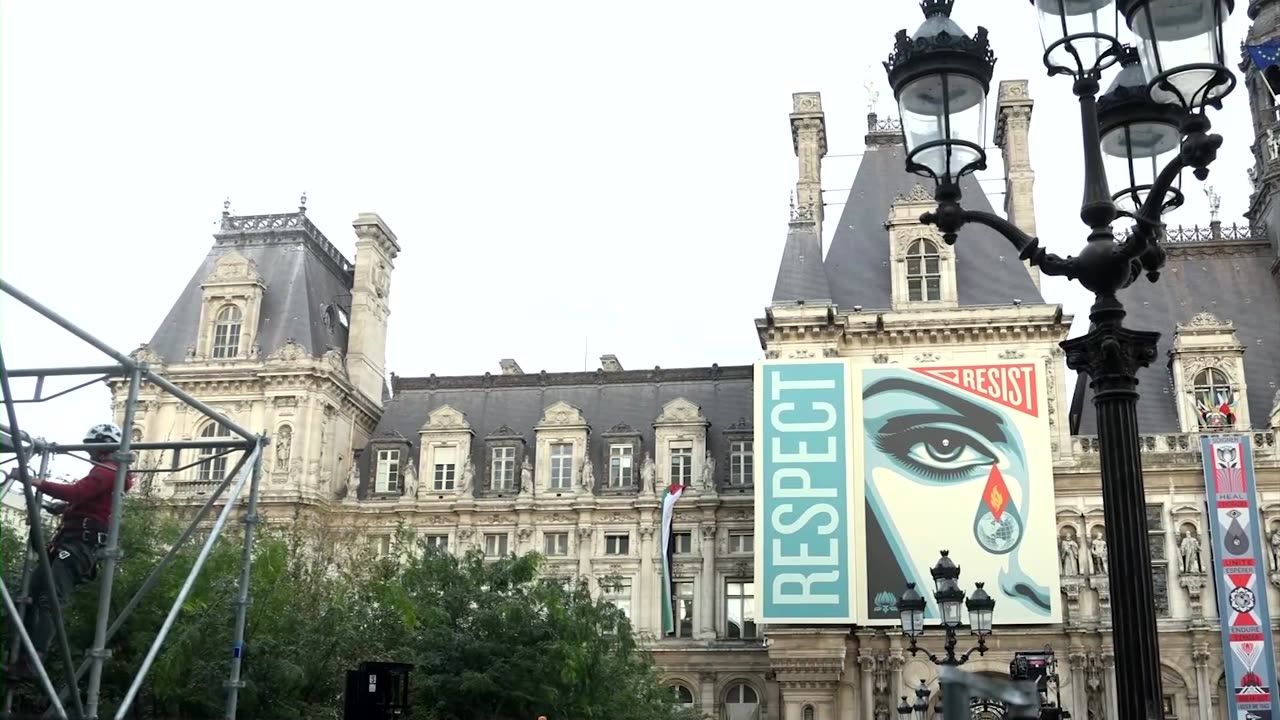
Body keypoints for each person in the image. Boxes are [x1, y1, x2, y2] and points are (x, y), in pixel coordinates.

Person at [6, 423, 134, 680]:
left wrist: (33, 481)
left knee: (49, 600)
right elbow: (92, 502)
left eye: (93, 447)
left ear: (104, 448)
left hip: (79, 547)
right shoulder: (110, 474)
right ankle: (22, 656)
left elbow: (78, 492)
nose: (88, 452)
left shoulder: (109, 471)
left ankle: (33, 661)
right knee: (28, 595)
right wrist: (65, 507)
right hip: (69, 544)